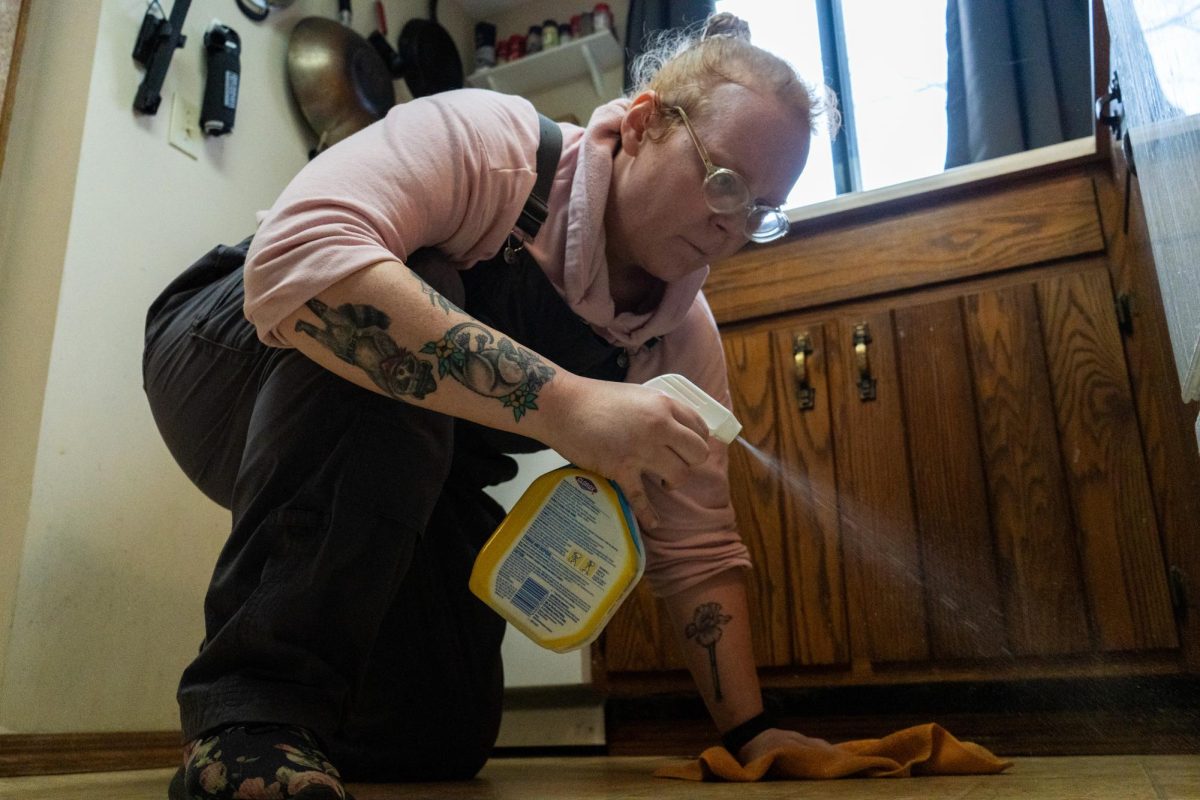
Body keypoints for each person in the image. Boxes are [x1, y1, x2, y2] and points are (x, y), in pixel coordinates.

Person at [144, 12, 838, 800]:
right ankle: (247, 718)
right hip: (227, 352)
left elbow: (696, 544)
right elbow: (304, 262)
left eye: (760, 212)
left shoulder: (676, 339)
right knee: (410, 290)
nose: (731, 226)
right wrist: (568, 405)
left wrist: (748, 734)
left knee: (439, 736)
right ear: (646, 124)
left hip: (410, 460)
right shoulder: (494, 144)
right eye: (723, 182)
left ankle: (310, 741)